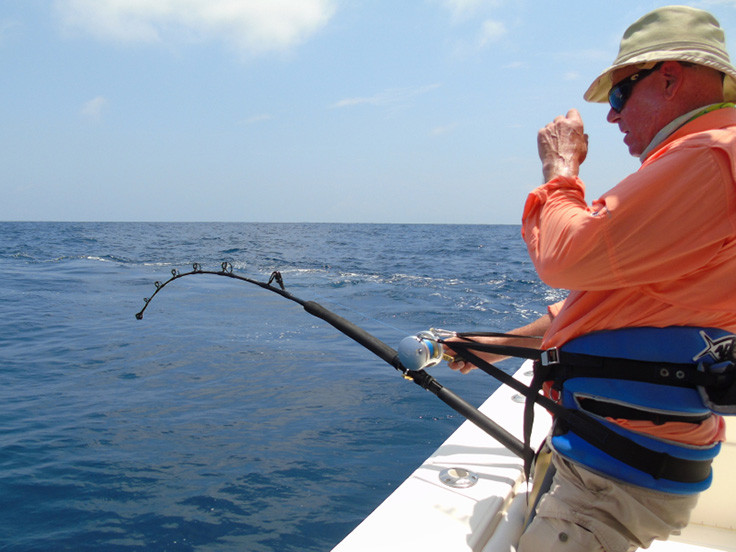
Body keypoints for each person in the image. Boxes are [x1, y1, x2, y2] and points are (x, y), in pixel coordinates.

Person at [446, 6, 736, 551]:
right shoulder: (707, 162)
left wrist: (560, 171)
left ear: (669, 78)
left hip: (616, 474)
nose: (612, 117)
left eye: (620, 94)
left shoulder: (711, 158)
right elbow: (619, 306)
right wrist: (497, 346)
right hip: (612, 453)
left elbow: (566, 258)